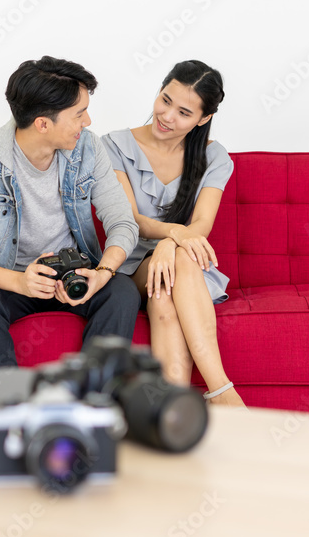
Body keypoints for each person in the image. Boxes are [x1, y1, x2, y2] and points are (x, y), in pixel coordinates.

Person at [0, 56, 141, 370]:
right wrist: (18, 282)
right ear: (42, 124)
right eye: (79, 114)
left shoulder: (88, 148)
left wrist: (103, 273)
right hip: (10, 279)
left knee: (121, 291)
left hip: (73, 275)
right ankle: (11, 408)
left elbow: (122, 221)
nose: (88, 123)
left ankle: (91, 402)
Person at [101, 60, 245, 407]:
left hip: (184, 262)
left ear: (203, 119)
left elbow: (201, 227)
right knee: (176, 261)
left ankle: (172, 410)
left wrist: (169, 243)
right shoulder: (113, 145)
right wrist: (172, 239)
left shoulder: (214, 157)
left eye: (183, 112)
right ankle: (222, 391)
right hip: (131, 262)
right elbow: (130, 219)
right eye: (165, 100)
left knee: (165, 297)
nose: (167, 116)